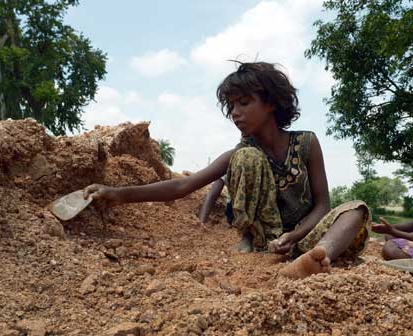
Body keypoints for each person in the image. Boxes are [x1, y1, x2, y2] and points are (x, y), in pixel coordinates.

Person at [83, 62, 371, 279]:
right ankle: (256, 242)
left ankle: (316, 258)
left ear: (270, 103)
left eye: (244, 103)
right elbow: (182, 187)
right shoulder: (239, 153)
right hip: (268, 241)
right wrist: (118, 193)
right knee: (245, 157)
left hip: (305, 235)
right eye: (231, 105)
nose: (234, 112)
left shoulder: (307, 142)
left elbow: (323, 204)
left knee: (356, 209)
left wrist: (297, 236)